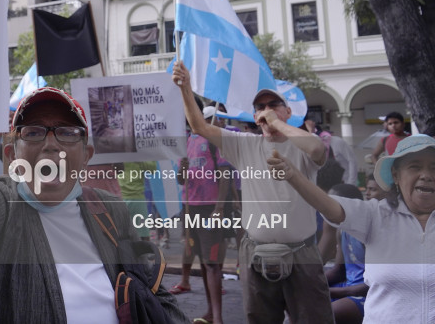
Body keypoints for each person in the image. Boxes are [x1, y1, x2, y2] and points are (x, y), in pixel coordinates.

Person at [0, 87, 189, 323]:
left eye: (68, 132)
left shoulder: (111, 209)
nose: (51, 143)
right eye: (33, 132)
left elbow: (153, 291)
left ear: (86, 155)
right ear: (13, 155)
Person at [172, 61, 332, 323]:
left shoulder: (302, 144)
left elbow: (317, 150)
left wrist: (277, 124)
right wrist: (186, 87)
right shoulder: (245, 144)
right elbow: (200, 127)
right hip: (256, 253)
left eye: (273, 105)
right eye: (260, 107)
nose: (265, 111)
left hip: (301, 253)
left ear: (288, 111)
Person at [268, 134, 435, 322]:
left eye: (434, 167)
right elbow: (331, 207)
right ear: (396, 175)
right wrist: (294, 176)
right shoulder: (375, 215)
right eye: (415, 167)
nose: (427, 175)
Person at [177, 104, 232, 324]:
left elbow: (225, 174)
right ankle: (210, 313)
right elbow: (181, 180)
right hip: (190, 208)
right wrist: (182, 168)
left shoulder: (213, 138)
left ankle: (217, 318)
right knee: (202, 261)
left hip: (210, 208)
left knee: (212, 263)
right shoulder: (187, 141)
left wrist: (219, 208)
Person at [324, 183, 368, 324]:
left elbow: (374, 284)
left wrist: (329, 291)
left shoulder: (367, 234)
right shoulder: (341, 229)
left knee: (329, 313)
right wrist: (311, 282)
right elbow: (339, 271)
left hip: (364, 294)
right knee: (300, 301)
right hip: (347, 288)